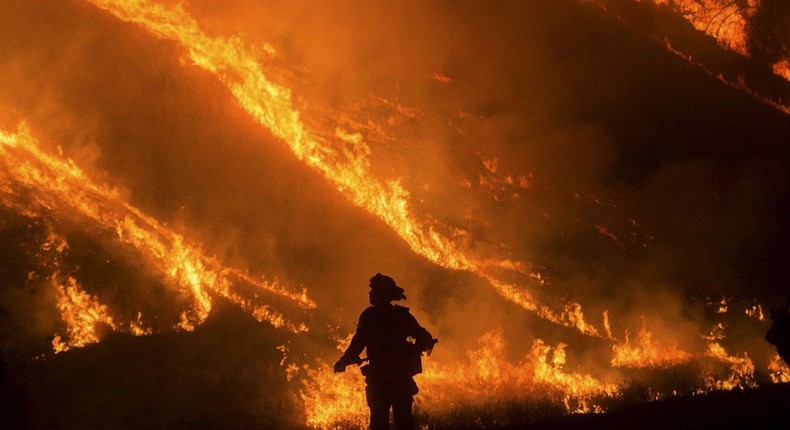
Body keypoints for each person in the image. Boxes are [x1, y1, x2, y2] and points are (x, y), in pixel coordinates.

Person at [334, 273, 436, 430]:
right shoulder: (401, 315)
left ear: (382, 294)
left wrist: (344, 361)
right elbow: (424, 336)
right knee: (402, 421)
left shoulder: (370, 316)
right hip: (398, 379)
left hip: (381, 379)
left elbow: (357, 344)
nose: (370, 293)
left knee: (380, 421)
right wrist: (419, 347)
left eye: (374, 290)